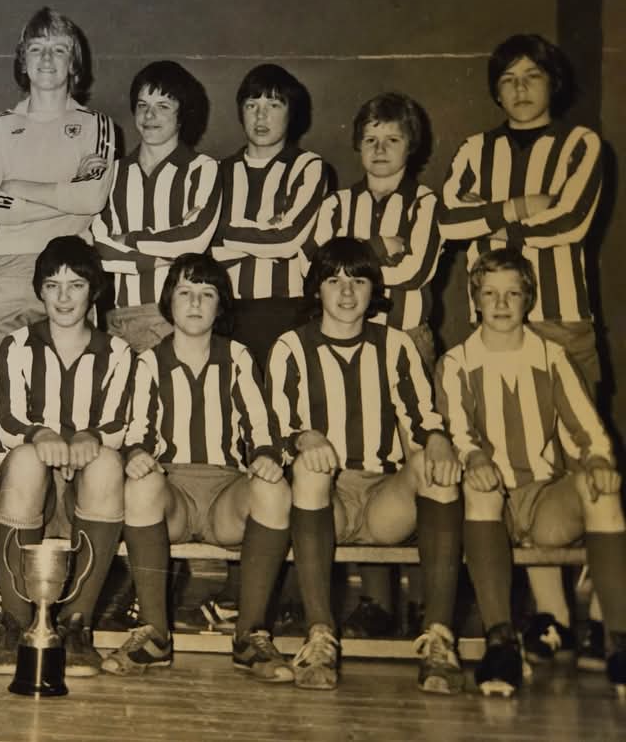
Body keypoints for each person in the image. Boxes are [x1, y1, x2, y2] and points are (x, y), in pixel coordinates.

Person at [439, 34, 605, 667]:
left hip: (560, 322)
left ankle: (596, 607)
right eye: (508, 78)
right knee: (512, 470)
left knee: (575, 465)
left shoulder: (581, 145)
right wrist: (516, 206)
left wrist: (493, 219)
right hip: (493, 332)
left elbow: (572, 222)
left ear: (552, 83)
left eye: (533, 75)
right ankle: (551, 618)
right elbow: (447, 225)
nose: (520, 87)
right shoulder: (476, 149)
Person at [267, 237, 463, 693]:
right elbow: (277, 425)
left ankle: (438, 638)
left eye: (358, 280)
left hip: (382, 500)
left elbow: (422, 418)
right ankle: (320, 634)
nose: (347, 292)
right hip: (325, 502)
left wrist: (437, 440)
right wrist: (304, 436)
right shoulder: (291, 346)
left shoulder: (395, 344)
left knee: (438, 468)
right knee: (310, 469)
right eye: (334, 280)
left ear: (373, 289)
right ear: (316, 289)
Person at [436, 247, 626, 697]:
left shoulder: (553, 356)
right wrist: (476, 460)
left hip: (543, 503)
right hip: (490, 503)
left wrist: (599, 462)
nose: (501, 304)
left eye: (513, 294)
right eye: (490, 294)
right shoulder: (457, 363)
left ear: (528, 299)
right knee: (479, 488)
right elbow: (458, 434)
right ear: (475, 299)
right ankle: (501, 642)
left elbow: (590, 431)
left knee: (600, 489)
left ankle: (619, 640)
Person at [102, 253, 291, 683]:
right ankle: (154, 633)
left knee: (275, 489)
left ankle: (251, 636)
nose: (194, 303)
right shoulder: (149, 360)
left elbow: (262, 427)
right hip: (175, 496)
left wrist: (265, 456)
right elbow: (135, 430)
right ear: (169, 301)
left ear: (220, 306)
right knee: (140, 484)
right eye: (185, 293)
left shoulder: (238, 356)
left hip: (226, 493)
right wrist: (135, 456)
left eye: (206, 294)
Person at [311, 92, 441, 638]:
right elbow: (319, 257)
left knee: (409, 461)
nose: (381, 150)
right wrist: (377, 245)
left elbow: (415, 267)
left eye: (392, 139)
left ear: (411, 145)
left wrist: (360, 252)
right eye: (370, 140)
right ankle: (373, 602)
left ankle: (425, 604)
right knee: (357, 455)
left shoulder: (426, 201)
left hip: (405, 337)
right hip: (347, 337)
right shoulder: (339, 201)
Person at [0, 236, 132, 678]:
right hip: (32, 486)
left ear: (94, 291)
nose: (64, 297)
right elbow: (5, 418)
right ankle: (12, 622)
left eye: (75, 285)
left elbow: (120, 421)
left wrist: (87, 438)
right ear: (39, 290)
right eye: (52, 285)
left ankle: (76, 624)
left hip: (82, 486)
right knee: (28, 458)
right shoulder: (17, 345)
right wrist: (42, 433)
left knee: (105, 461)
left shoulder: (118, 351)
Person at [0, 7, 116, 364]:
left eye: (59, 49)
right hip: (8, 268)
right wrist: (69, 191)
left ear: (74, 63)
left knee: (73, 380)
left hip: (71, 266)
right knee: (1, 383)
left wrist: (17, 185)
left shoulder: (97, 125)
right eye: (37, 48)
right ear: (23, 62)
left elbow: (93, 197)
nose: (47, 58)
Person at [211, 63, 334, 373]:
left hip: (287, 309)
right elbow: (201, 246)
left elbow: (287, 239)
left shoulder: (308, 166)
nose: (261, 116)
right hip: (227, 311)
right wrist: (265, 231)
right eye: (252, 105)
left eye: (273, 105)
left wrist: (221, 231)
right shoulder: (217, 172)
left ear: (291, 113)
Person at [91, 60, 220, 353]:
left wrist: (128, 239)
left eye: (163, 105)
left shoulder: (202, 169)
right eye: (142, 105)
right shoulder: (113, 173)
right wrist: (164, 257)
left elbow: (194, 241)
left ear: (182, 114)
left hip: (174, 318)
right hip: (115, 319)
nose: (150, 115)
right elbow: (99, 250)